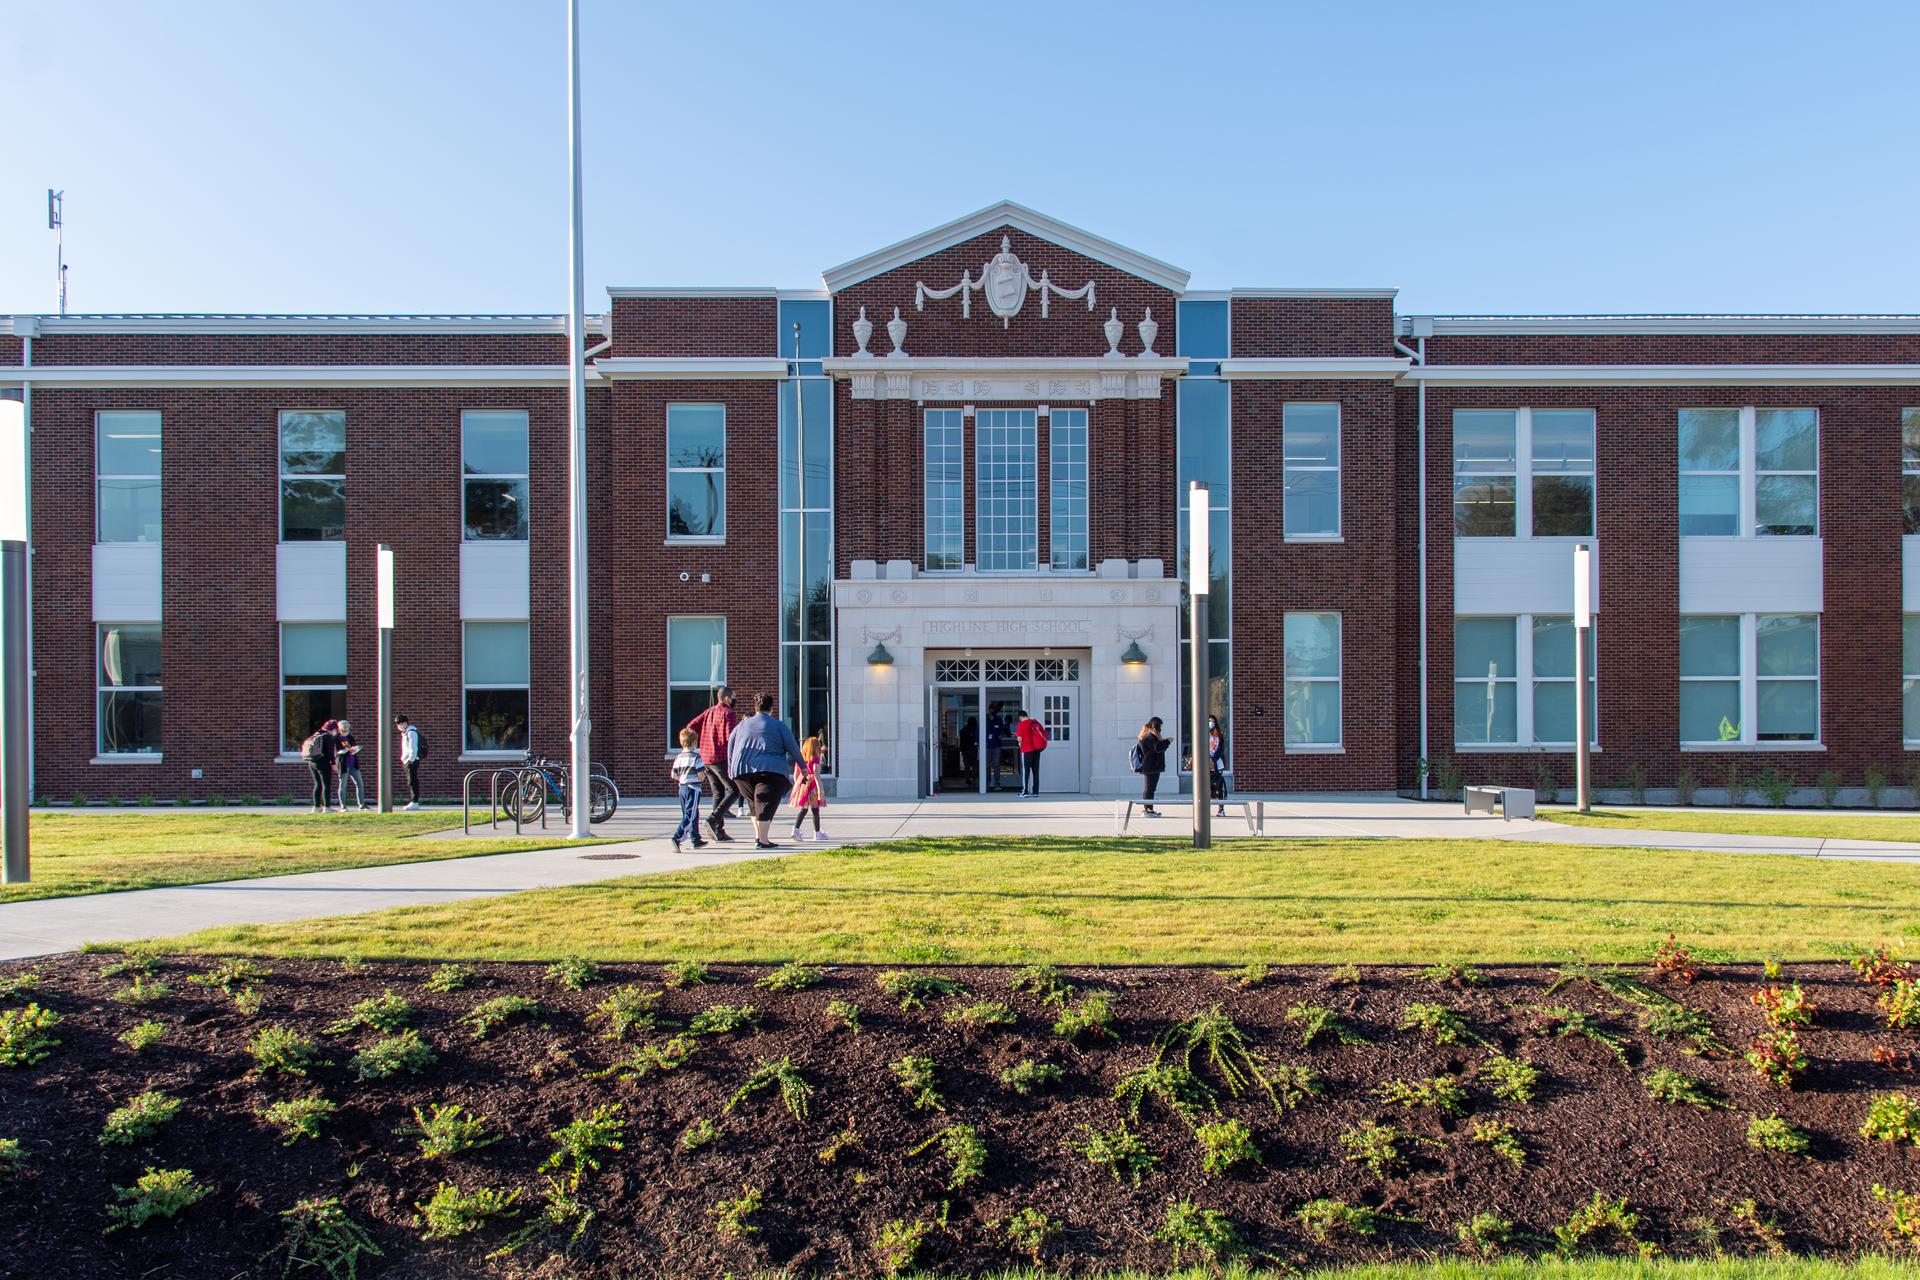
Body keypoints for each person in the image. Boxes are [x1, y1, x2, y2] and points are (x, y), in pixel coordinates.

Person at [727, 692, 807, 849]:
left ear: (755, 707)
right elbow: (792, 747)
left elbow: (731, 745)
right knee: (765, 802)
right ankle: (763, 841)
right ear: (771, 708)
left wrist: (731, 768)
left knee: (754, 803)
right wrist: (803, 767)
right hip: (771, 769)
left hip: (742, 771)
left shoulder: (741, 725)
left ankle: (759, 837)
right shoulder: (779, 726)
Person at [685, 686, 743, 843]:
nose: (734, 700)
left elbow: (691, 726)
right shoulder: (728, 713)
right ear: (727, 699)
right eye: (733, 697)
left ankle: (718, 830)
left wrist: (700, 739)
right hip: (720, 757)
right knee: (734, 790)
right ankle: (713, 819)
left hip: (706, 757)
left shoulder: (708, 712)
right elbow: (731, 737)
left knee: (718, 792)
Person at [669, 727, 708, 853]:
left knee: (691, 813)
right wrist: (701, 778)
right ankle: (677, 837)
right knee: (690, 815)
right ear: (694, 742)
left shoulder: (678, 757)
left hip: (682, 788)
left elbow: (673, 774)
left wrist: (683, 778)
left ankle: (695, 839)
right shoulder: (696, 757)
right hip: (693, 788)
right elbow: (701, 775)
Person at [789, 734, 828, 842]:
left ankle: (796, 830)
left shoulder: (800, 759)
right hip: (812, 786)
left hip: (803, 785)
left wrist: (798, 787)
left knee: (804, 809)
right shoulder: (815, 759)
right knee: (815, 810)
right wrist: (821, 791)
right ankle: (817, 833)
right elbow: (816, 775)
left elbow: (796, 775)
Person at [1132, 717, 1171, 816]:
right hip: (1150, 766)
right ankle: (1147, 809)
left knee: (1151, 788)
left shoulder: (1150, 735)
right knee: (1149, 788)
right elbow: (1157, 748)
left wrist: (1165, 742)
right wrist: (1167, 741)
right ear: (1154, 725)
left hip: (1153, 766)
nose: (1160, 729)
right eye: (1159, 726)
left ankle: (1149, 808)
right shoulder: (1149, 736)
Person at [300, 719, 339, 814]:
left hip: (312, 762)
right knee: (326, 785)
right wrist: (334, 764)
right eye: (336, 729)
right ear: (333, 729)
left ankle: (316, 807)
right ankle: (327, 808)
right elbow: (330, 753)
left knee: (318, 785)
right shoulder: (328, 736)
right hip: (323, 763)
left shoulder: (316, 734)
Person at [1013, 708, 1049, 797]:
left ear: (1020, 717)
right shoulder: (1034, 722)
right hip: (1036, 750)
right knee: (1035, 771)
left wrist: (1019, 744)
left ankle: (1025, 791)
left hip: (1026, 750)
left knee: (1026, 771)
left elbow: (1019, 739)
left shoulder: (1021, 724)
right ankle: (1035, 792)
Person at [334, 719, 368, 811]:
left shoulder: (350, 737)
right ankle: (343, 806)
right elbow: (337, 751)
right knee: (343, 785)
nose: (347, 730)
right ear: (340, 728)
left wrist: (355, 749)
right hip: (343, 764)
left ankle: (361, 804)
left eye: (348, 728)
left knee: (359, 783)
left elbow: (354, 746)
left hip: (353, 763)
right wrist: (345, 750)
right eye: (345, 728)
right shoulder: (336, 738)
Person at [394, 715, 423, 810]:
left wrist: (411, 759)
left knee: (412, 781)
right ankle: (413, 801)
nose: (399, 726)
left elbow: (413, 748)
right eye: (398, 724)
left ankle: (415, 802)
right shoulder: (405, 733)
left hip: (412, 761)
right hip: (408, 760)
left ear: (405, 723)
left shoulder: (411, 733)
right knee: (411, 781)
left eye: (400, 723)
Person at [1207, 715, 1229, 819]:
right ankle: (1205, 809)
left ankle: (1221, 809)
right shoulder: (1203, 734)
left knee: (1218, 787)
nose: (1210, 723)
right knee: (1206, 788)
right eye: (1208, 721)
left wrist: (1212, 759)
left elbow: (1220, 750)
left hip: (1217, 765)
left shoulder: (1219, 736)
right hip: (1205, 765)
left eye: (1212, 721)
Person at [984, 705, 1006, 791]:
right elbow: (978, 731)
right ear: (989, 710)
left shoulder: (999, 720)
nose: (992, 711)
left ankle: (997, 784)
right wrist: (979, 742)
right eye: (991, 709)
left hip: (996, 746)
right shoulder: (984, 719)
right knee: (987, 766)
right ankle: (987, 784)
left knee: (996, 765)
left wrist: (1001, 735)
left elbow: (1002, 731)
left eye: (994, 709)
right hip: (986, 746)